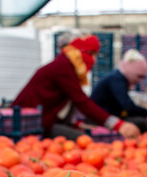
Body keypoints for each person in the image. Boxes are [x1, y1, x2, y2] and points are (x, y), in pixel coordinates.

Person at [12, 35, 140, 140]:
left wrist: (74, 123)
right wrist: (117, 125)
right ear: (81, 52)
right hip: (33, 123)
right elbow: (81, 101)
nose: (94, 60)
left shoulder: (65, 65)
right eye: (92, 54)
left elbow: (64, 102)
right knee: (83, 140)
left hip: (42, 120)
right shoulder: (63, 67)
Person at [91, 49, 147, 133]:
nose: (139, 81)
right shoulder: (117, 80)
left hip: (107, 116)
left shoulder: (118, 78)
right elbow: (129, 107)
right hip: (100, 118)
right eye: (139, 76)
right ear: (132, 72)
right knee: (140, 123)